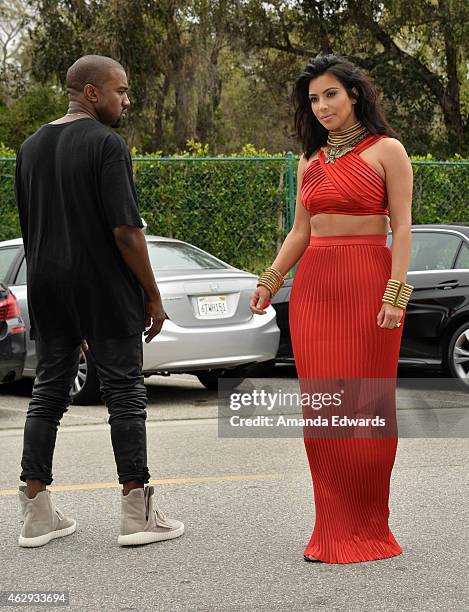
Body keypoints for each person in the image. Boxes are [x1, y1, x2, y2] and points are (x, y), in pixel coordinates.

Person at [14, 55, 184, 548]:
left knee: (47, 392)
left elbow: (31, 229)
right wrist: (152, 295)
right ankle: (137, 514)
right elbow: (126, 231)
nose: (126, 101)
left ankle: (36, 513)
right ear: (90, 92)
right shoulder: (108, 145)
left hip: (47, 285)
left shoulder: (29, 147)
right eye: (120, 91)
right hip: (104, 286)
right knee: (126, 393)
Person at [250, 54, 413, 564]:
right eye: (313, 99)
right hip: (315, 291)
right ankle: (330, 531)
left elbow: (402, 228)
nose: (321, 107)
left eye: (330, 95)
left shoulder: (388, 151)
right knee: (322, 413)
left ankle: (369, 529)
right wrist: (271, 279)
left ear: (354, 94)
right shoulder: (308, 161)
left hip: (368, 284)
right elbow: (300, 231)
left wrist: (395, 293)